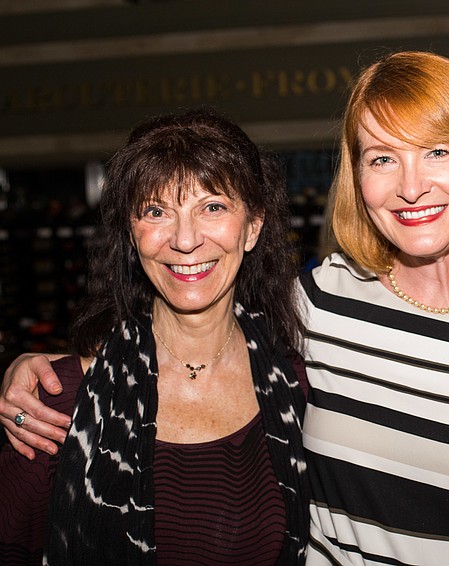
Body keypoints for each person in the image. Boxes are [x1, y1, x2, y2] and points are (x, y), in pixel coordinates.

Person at [2, 51, 449, 565]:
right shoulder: (322, 302)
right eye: (381, 158)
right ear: (357, 179)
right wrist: (48, 370)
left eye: (437, 152)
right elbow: (196, 321)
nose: (410, 185)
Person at [0, 108, 310, 565]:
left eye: (213, 207)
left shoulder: (301, 385)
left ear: (253, 226)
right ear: (131, 232)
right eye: (156, 211)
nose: (185, 240)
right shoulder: (56, 405)